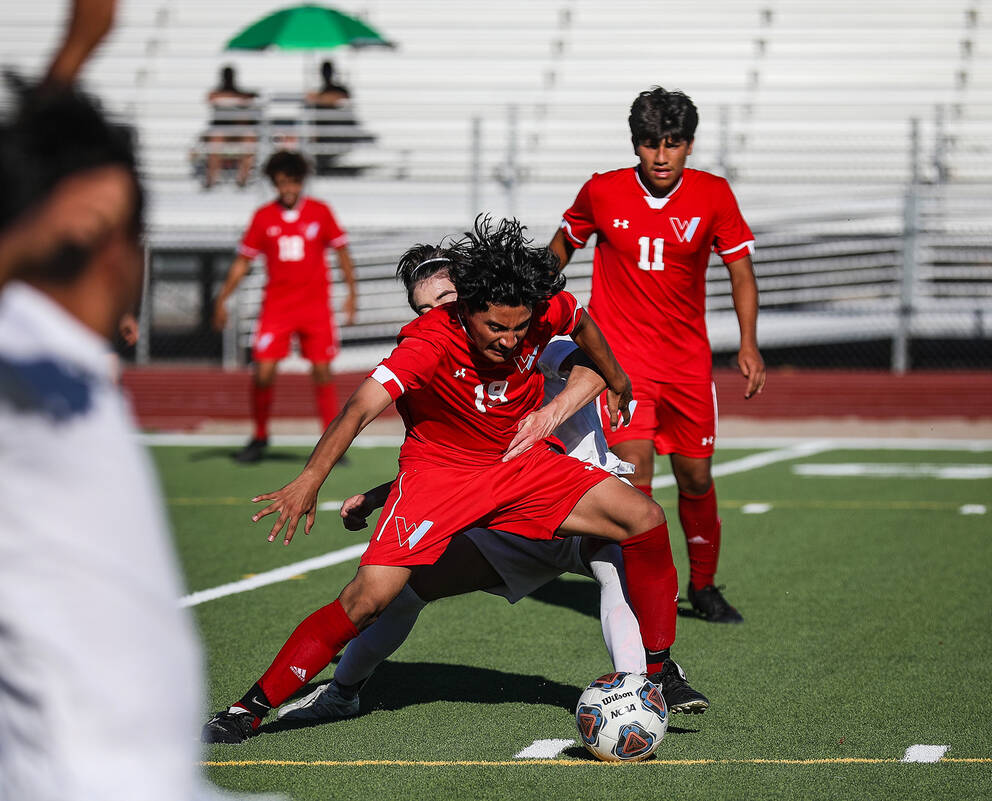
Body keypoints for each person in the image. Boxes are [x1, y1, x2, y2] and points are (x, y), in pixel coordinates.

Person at [203, 217, 707, 745]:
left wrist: (616, 380)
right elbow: (358, 409)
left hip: (522, 468)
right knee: (371, 598)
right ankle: (249, 709)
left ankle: (656, 672)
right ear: (461, 314)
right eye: (495, 328)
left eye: (519, 328)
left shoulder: (526, 310)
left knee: (643, 518)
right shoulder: (427, 343)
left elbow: (579, 322)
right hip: (442, 481)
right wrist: (311, 479)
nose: (511, 341)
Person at [0, 82, 242, 801]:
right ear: (112, 250)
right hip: (80, 778)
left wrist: (75, 56)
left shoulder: (50, 343)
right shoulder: (5, 345)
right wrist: (18, 244)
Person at [548, 86, 766, 624]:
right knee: (635, 476)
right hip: (620, 366)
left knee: (695, 478)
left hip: (688, 366)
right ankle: (648, 593)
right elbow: (559, 249)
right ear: (636, 145)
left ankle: (706, 586)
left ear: (689, 146)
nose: (661, 155)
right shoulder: (601, 191)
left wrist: (748, 341)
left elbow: (741, 270)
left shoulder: (714, 195)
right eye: (650, 144)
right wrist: (530, 297)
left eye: (673, 143)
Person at [212, 150, 357, 464]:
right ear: (274, 183)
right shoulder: (263, 217)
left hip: (315, 307)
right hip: (276, 307)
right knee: (262, 372)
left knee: (321, 371)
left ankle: (331, 441)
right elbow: (242, 262)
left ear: (302, 182)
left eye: (293, 182)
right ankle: (260, 436)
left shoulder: (320, 212)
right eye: (281, 183)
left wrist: (351, 294)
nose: (288, 189)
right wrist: (223, 298)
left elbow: (343, 252)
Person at [202, 65, 259, 189]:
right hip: (221, 131)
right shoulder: (219, 92)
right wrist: (237, 98)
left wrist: (235, 98)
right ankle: (210, 179)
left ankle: (243, 179)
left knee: (249, 139)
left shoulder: (238, 92)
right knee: (216, 141)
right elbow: (212, 98)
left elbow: (251, 97)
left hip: (237, 132)